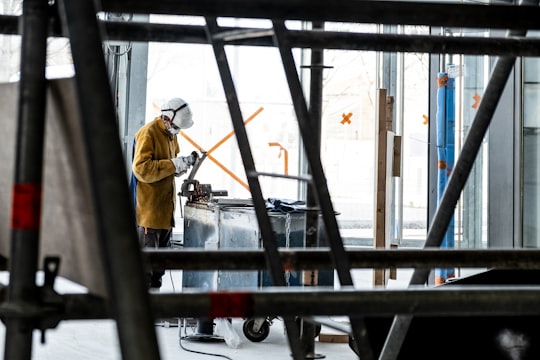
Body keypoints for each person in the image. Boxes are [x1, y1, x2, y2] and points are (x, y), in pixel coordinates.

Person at [131, 97, 197, 291]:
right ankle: (143, 312)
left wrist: (182, 164)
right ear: (167, 118)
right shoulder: (149, 133)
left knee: (159, 266)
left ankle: (157, 305)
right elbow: (141, 169)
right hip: (149, 214)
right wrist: (173, 164)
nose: (178, 131)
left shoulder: (171, 134)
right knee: (146, 268)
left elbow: (171, 165)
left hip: (165, 211)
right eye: (177, 126)